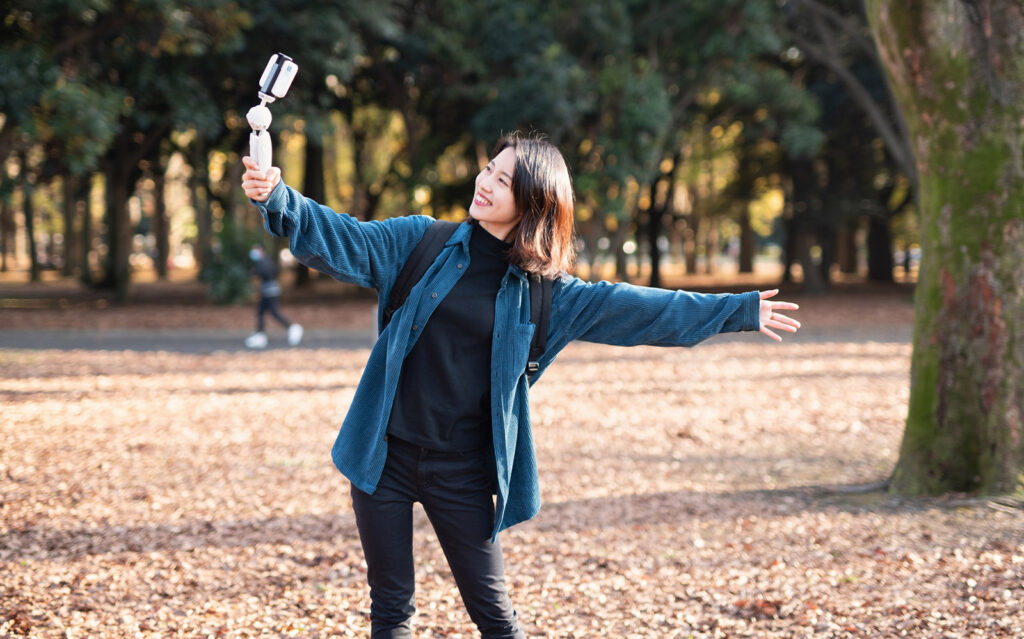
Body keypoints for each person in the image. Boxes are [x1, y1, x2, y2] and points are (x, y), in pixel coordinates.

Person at [240, 132, 800, 638]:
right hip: (382, 456)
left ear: (534, 202)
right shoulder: (421, 243)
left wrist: (738, 311)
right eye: (489, 169)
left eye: (503, 180)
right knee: (390, 609)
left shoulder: (549, 295)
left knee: (495, 617)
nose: (484, 182)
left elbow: (641, 310)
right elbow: (342, 238)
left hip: (461, 471)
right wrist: (279, 199)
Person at [244, 243, 303, 349]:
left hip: (270, 292)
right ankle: (260, 334)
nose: (254, 253)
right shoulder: (263, 261)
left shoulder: (265, 261)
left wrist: (255, 273)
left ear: (261, 250)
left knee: (273, 312)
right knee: (260, 312)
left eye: (256, 250)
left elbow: (268, 273)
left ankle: (292, 327)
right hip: (267, 291)